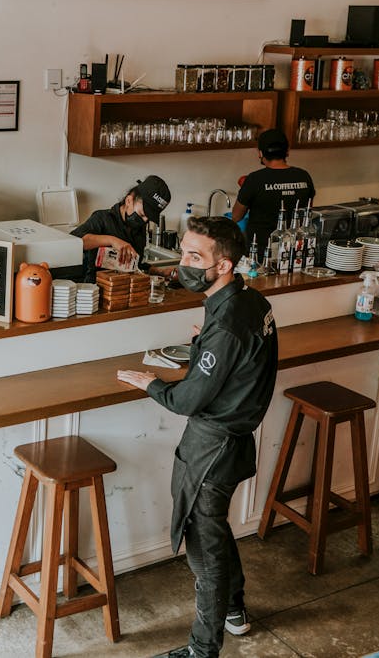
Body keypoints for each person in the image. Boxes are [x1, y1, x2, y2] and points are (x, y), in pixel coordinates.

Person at [117, 216, 278, 658]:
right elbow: (241, 357)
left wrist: (150, 383)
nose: (182, 263)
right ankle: (235, 611)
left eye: (194, 256)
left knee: (204, 547)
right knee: (215, 529)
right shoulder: (251, 301)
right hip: (234, 437)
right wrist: (207, 345)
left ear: (222, 265)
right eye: (184, 251)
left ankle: (202, 651)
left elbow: (188, 400)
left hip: (213, 445)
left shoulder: (227, 325)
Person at [231, 128, 315, 257]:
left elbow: (236, 216)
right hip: (296, 250)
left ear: (260, 153)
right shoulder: (304, 176)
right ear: (287, 151)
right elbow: (308, 210)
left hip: (260, 251)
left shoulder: (254, 179)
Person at [71, 174, 171, 280]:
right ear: (129, 200)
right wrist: (112, 240)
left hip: (122, 290)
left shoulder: (139, 227)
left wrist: (159, 271)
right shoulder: (102, 219)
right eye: (142, 214)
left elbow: (135, 265)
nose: (145, 220)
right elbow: (74, 242)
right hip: (94, 290)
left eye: (148, 217)